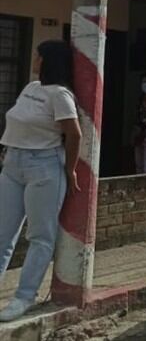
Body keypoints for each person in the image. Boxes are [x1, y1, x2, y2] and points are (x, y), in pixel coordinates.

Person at [0, 41, 82, 322]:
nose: (34, 57)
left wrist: (70, 169)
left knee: (40, 236)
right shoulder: (31, 88)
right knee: (2, 232)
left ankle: (24, 296)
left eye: (38, 54)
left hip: (44, 166)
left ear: (48, 60)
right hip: (12, 164)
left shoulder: (60, 95)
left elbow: (74, 134)